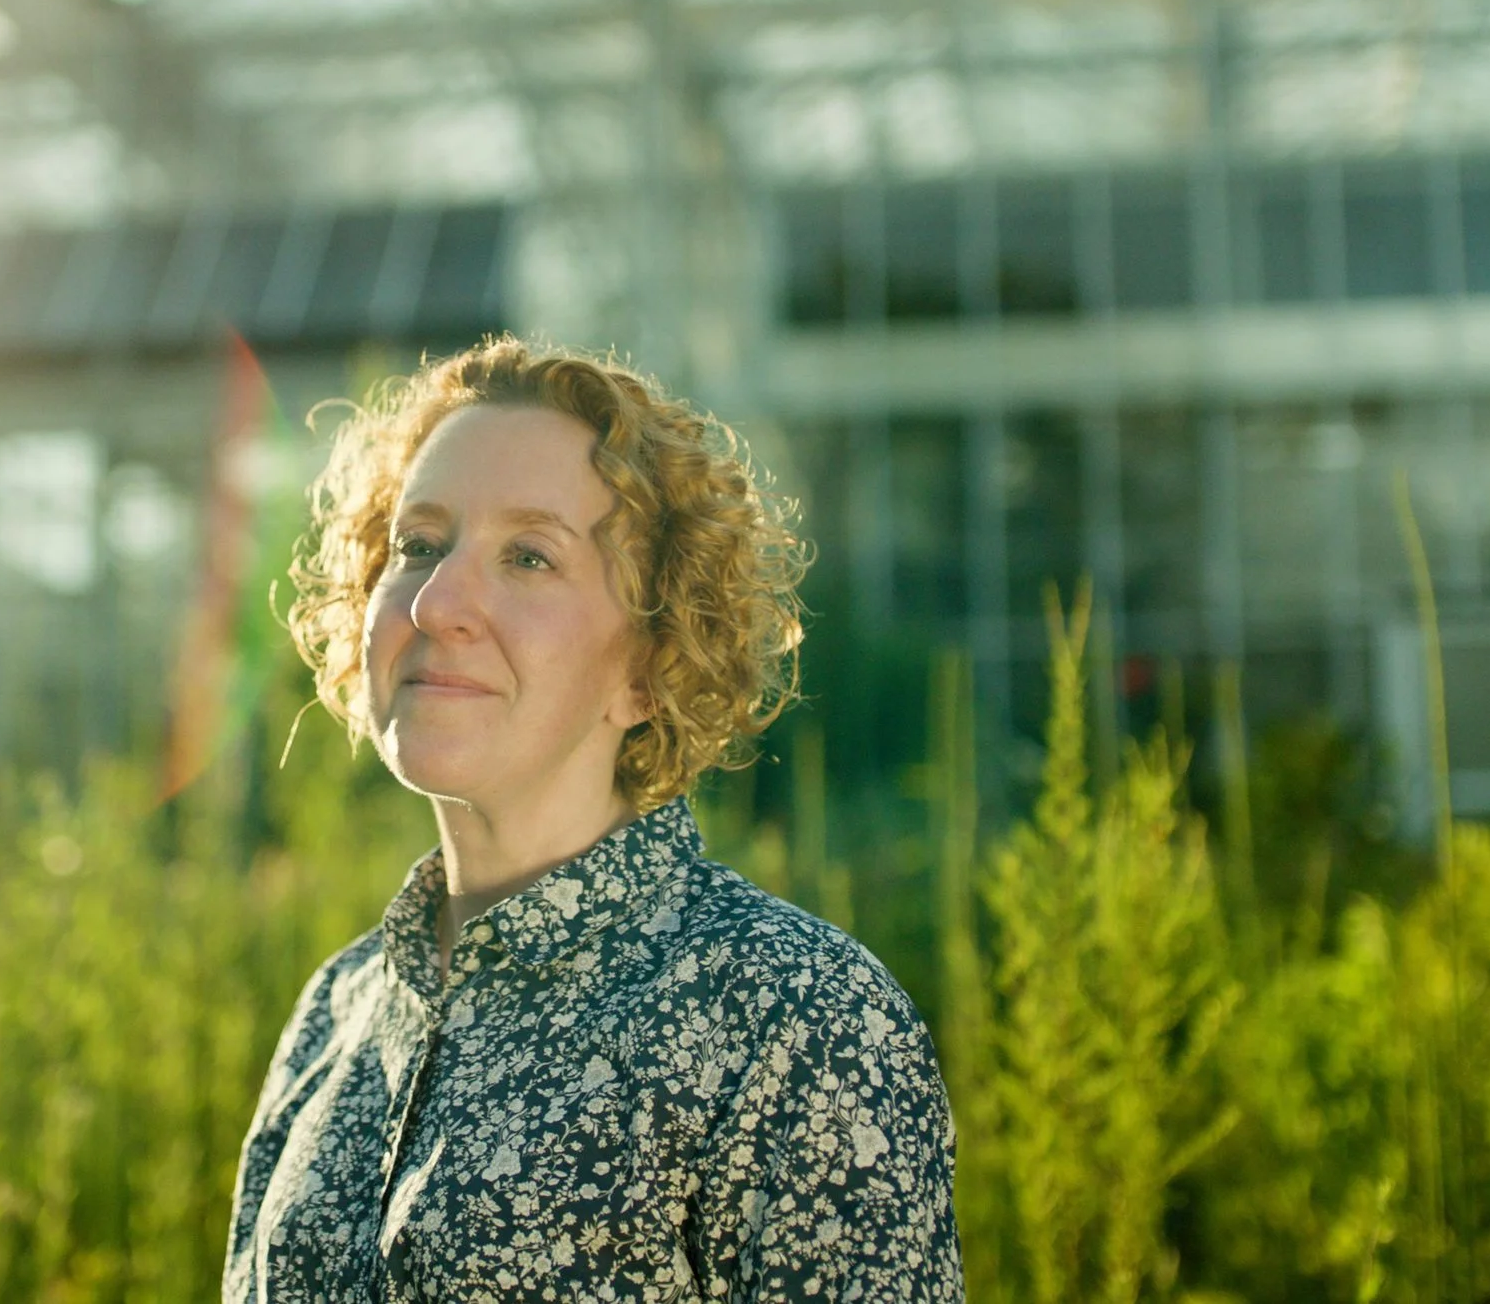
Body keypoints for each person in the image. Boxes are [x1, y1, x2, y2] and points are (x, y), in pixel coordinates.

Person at [223, 338, 962, 1302]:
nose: (440, 602)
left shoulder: (796, 1018)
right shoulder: (341, 1005)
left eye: (529, 556)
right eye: (419, 546)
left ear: (652, 666)